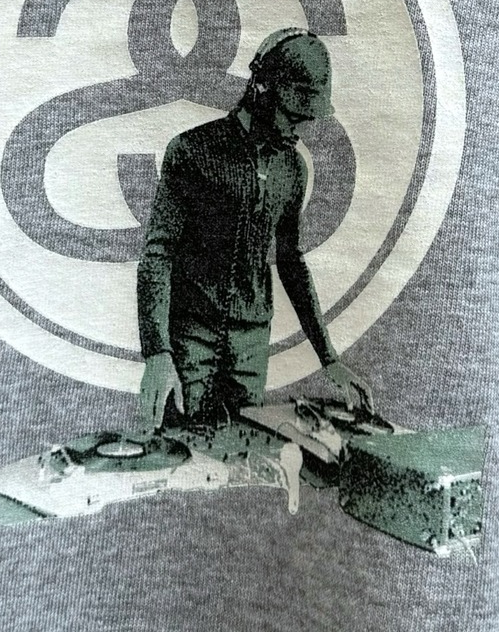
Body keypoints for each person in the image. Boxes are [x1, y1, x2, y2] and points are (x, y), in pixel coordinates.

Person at [137, 28, 372, 430]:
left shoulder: (293, 169)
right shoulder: (191, 151)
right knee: (182, 451)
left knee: (246, 451)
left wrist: (328, 358)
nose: (299, 129)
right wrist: (158, 353)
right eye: (293, 115)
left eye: (306, 118)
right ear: (262, 90)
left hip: (250, 351)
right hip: (189, 343)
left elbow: (291, 263)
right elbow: (157, 255)